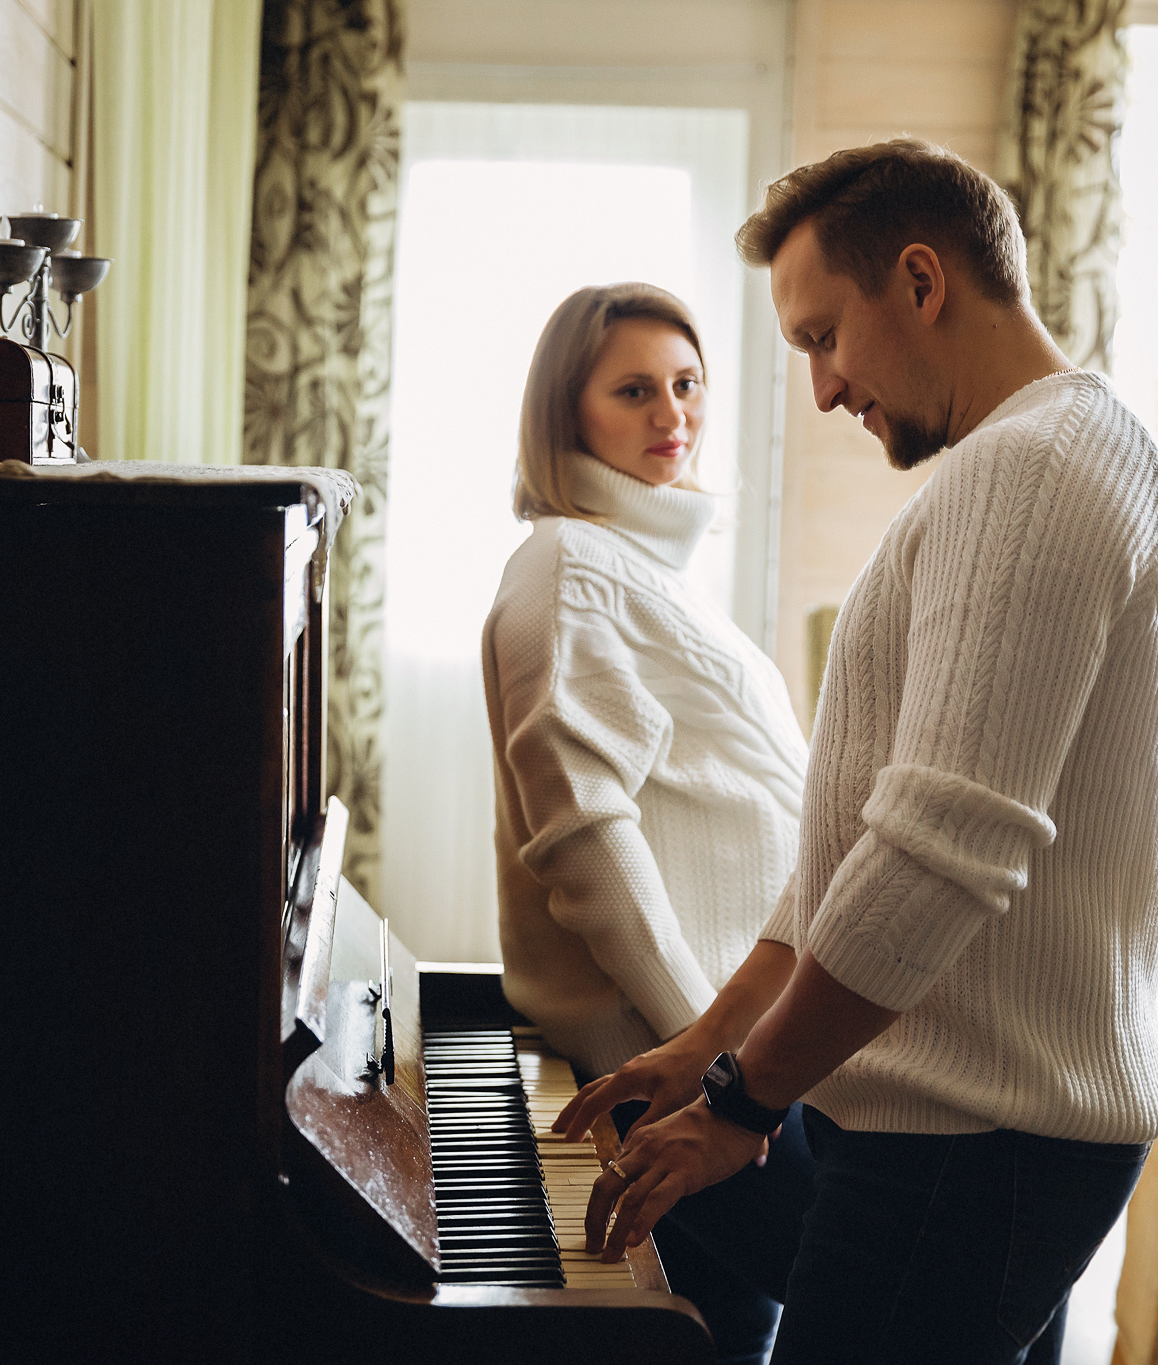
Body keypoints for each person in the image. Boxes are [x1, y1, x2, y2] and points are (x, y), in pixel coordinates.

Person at [554, 140, 1158, 1365]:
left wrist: (744, 1107)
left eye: (819, 338)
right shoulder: (1033, 463)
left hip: (971, 1145)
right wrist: (710, 1046)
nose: (823, 389)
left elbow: (935, 856)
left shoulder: (1034, 473)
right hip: (973, 1133)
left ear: (918, 280)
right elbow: (853, 846)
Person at [481, 282, 814, 1363]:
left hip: (730, 1053)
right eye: (632, 390)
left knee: (724, 1340)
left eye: (685, 385)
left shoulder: (630, 568)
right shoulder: (571, 567)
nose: (670, 413)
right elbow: (587, 838)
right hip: (683, 1076)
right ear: (564, 413)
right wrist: (714, 1069)